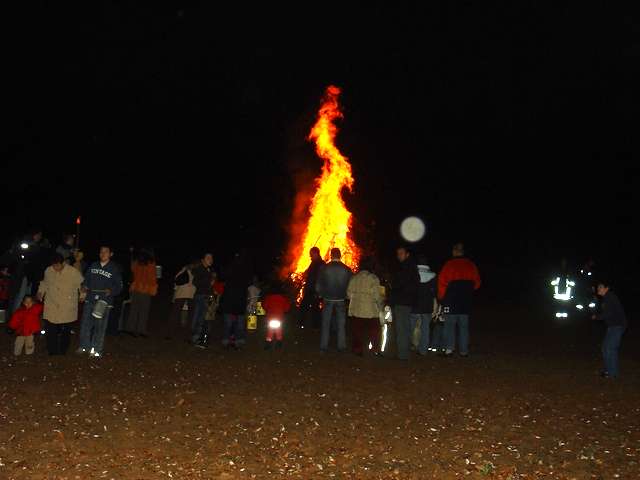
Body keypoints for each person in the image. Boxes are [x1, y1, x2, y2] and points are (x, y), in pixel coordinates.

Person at [77, 246, 123, 358]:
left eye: (105, 252)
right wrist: (84, 288)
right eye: (101, 252)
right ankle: (84, 346)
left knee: (100, 326)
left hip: (104, 302)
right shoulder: (93, 266)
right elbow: (86, 280)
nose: (103, 254)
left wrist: (111, 291)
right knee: (85, 324)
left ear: (111, 254)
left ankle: (96, 349)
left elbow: (119, 286)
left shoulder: (114, 268)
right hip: (90, 299)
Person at [437, 242, 481, 357]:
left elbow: (442, 283)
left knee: (449, 325)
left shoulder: (449, 265)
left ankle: (449, 349)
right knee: (464, 327)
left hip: (451, 301)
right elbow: (477, 284)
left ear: (454, 252)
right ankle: (463, 351)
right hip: (465, 302)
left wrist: (441, 299)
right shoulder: (471, 265)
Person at [37, 253, 84, 355]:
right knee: (50, 329)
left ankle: (63, 350)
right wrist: (40, 292)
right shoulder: (48, 270)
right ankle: (52, 351)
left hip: (67, 305)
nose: (55, 268)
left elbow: (81, 285)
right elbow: (44, 283)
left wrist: (82, 296)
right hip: (51, 304)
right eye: (53, 265)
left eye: (57, 265)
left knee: (65, 331)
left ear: (63, 263)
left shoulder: (73, 272)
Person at [316, 248, 352, 353]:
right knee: (341, 324)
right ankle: (341, 346)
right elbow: (350, 285)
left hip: (327, 299)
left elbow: (318, 285)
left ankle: (323, 346)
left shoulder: (324, 268)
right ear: (340, 256)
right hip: (341, 299)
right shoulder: (346, 269)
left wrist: (320, 294)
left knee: (326, 323)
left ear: (331, 255)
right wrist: (347, 296)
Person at [347, 256, 383, 356]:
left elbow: (348, 294)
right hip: (370, 310)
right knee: (374, 331)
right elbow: (377, 295)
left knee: (357, 332)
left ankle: (357, 350)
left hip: (356, 310)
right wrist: (381, 306)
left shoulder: (354, 278)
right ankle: (374, 350)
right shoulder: (373, 278)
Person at [390, 246, 419, 361]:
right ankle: (404, 352)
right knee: (405, 327)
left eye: (401, 253)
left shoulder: (406, 268)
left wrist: (394, 296)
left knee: (402, 328)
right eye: (398, 254)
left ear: (407, 254)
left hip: (402, 302)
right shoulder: (410, 267)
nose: (399, 256)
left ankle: (403, 355)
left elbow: (400, 285)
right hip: (406, 301)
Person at [219, 252, 253, 350]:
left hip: (236, 301)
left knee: (235, 323)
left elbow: (248, 282)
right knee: (233, 323)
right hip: (233, 301)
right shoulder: (232, 271)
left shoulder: (243, 272)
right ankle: (232, 340)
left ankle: (235, 340)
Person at [593, 281, 627, 379]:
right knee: (605, 348)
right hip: (612, 327)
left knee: (610, 349)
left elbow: (609, 313)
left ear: (606, 288)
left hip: (617, 326)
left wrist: (597, 317)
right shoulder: (607, 298)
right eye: (597, 287)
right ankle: (608, 371)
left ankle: (613, 373)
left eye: (600, 287)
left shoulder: (610, 297)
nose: (598, 289)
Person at [126, 249, 158, 337]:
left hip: (136, 288)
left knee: (134, 309)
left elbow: (132, 270)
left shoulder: (136, 262)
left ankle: (130, 328)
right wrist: (154, 289)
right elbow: (153, 277)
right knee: (144, 311)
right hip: (146, 289)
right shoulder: (151, 263)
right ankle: (141, 330)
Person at [410, 255, 437, 356]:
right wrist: (435, 307)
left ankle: (408, 347)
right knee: (425, 329)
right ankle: (423, 350)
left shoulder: (412, 275)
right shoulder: (433, 276)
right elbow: (434, 294)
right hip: (427, 307)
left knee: (410, 328)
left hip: (414, 306)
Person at [190, 253, 215, 347]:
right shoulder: (199, 269)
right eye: (208, 258)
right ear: (203, 260)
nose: (211, 260)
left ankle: (200, 337)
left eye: (212, 258)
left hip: (207, 296)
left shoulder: (209, 270)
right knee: (199, 317)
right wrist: (209, 282)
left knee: (204, 318)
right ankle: (195, 338)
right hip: (201, 296)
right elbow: (195, 282)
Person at [165, 262, 196, 340]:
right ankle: (187, 335)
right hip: (190, 295)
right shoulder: (194, 272)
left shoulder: (182, 271)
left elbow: (175, 283)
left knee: (175, 315)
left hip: (180, 295)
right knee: (190, 317)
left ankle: (170, 334)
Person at [300, 247, 325, 329]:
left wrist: (317, 291)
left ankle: (315, 326)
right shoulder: (314, 263)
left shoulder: (320, 264)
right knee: (305, 307)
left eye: (311, 254)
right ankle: (302, 324)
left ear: (316, 253)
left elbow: (319, 278)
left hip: (314, 290)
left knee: (314, 309)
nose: (310, 256)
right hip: (310, 289)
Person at [262, 283, 291, 350]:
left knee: (270, 330)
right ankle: (278, 344)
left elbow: (265, 306)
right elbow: (287, 308)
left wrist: (267, 309)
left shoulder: (269, 297)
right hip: (279, 317)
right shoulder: (283, 298)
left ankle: (268, 344)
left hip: (270, 317)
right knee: (279, 330)